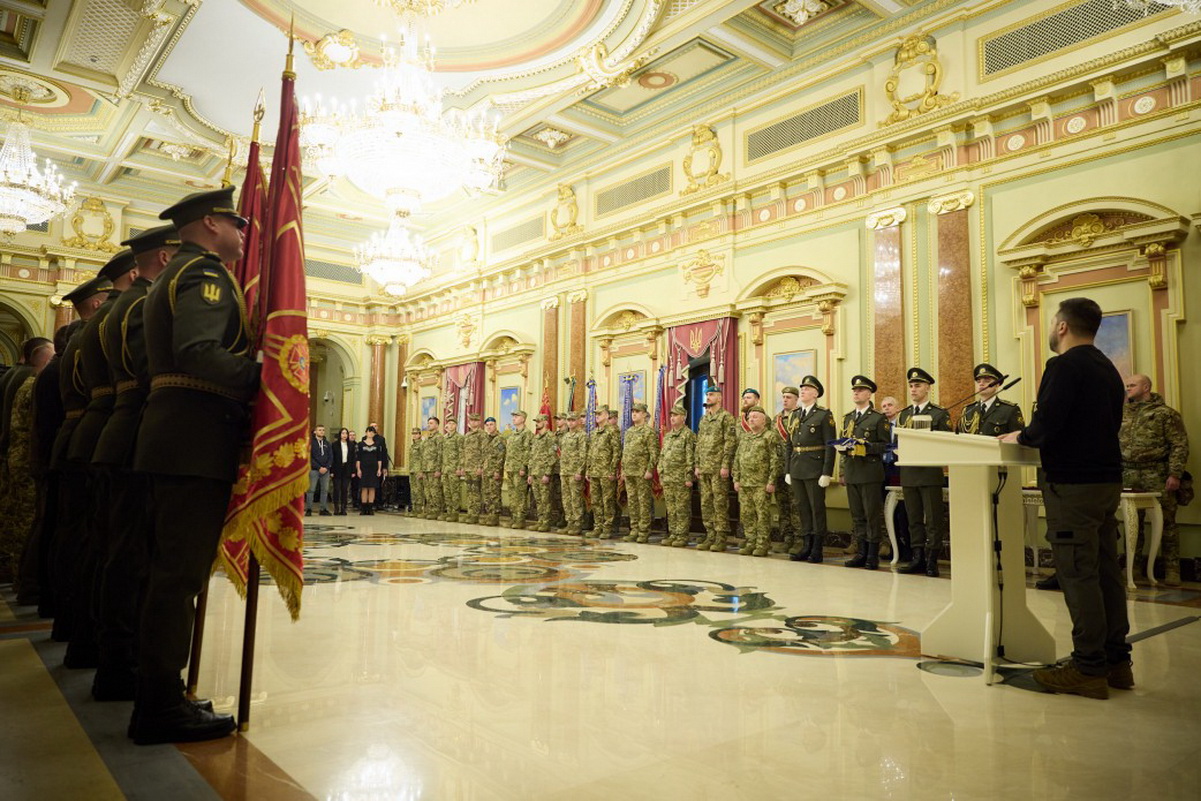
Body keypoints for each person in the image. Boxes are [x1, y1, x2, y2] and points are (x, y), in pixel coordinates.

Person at [131, 186, 257, 744]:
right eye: (237, 223)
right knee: (177, 577)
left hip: (174, 436)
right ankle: (159, 707)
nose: (243, 233)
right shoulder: (203, 275)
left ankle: (159, 692)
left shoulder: (171, 274)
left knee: (167, 574)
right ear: (211, 224)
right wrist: (267, 379)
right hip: (194, 441)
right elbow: (199, 353)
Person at [1000, 297, 1129, 700]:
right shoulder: (1107, 367)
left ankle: (1088, 667)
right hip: (1105, 481)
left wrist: (1021, 436)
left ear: (1061, 327)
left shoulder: (1064, 366)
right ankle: (1116, 660)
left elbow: (1048, 423)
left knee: (1077, 573)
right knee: (1105, 571)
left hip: (1073, 484)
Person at [89, 226, 177, 701]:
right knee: (131, 557)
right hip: (135, 434)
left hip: (117, 432)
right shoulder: (141, 303)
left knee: (119, 551)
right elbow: (151, 372)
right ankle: (120, 665)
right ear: (163, 257)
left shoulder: (116, 308)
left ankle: (111, 658)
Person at [1120, 374, 1188, 586]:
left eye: (1133, 385)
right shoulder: (1123, 413)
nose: (1128, 388)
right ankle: (1133, 568)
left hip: (1157, 473)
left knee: (1167, 522)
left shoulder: (1165, 414)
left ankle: (1172, 570)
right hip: (1128, 473)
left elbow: (1179, 444)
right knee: (1132, 523)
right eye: (1127, 385)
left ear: (1146, 387)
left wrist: (1175, 474)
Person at [896, 367, 951, 577]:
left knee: (934, 520)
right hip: (909, 473)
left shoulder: (939, 414)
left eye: (917, 385)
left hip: (929, 473)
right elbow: (897, 442)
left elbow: (946, 442)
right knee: (914, 519)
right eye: (911, 385)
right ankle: (917, 557)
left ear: (927, 388)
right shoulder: (904, 415)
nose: (913, 389)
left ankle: (932, 559)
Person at [838, 375, 892, 570]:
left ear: (869, 394)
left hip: (869, 472)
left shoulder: (878, 418)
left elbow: (885, 445)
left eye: (860, 390)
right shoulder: (848, 418)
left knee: (871, 516)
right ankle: (861, 553)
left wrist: (866, 447)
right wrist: (843, 450)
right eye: (854, 390)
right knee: (857, 516)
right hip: (852, 471)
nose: (856, 393)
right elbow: (842, 442)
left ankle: (872, 555)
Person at [787, 375, 836, 563]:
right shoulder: (795, 415)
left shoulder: (824, 415)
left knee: (816, 508)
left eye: (807, 388)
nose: (803, 391)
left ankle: (817, 548)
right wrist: (788, 470)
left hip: (815, 468)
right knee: (802, 508)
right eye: (802, 388)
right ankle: (806, 545)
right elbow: (789, 445)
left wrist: (826, 472)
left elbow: (830, 445)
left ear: (815, 394)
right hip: (797, 467)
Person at [733, 406, 781, 557]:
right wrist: (736, 479)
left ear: (764, 420)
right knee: (747, 514)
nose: (751, 419)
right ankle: (751, 542)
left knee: (762, 515)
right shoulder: (745, 437)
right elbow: (737, 459)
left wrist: (771, 481)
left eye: (755, 417)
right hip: (745, 483)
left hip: (761, 483)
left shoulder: (769, 436)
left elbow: (775, 460)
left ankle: (762, 544)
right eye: (749, 417)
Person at [695, 385, 737, 551]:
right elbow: (699, 443)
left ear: (719, 398)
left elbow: (730, 443)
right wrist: (697, 464)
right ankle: (710, 534)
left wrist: (726, 465)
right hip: (704, 467)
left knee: (719, 503)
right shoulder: (704, 419)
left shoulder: (726, 418)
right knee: (706, 503)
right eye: (707, 394)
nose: (708, 397)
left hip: (718, 468)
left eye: (711, 394)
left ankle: (720, 537)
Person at [621, 402, 659, 544]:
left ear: (644, 414)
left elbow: (654, 453)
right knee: (632, 502)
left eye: (637, 412)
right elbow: (625, 452)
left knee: (643, 502)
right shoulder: (629, 431)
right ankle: (634, 529)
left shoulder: (649, 432)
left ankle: (644, 531)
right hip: (629, 472)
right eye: (633, 412)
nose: (634, 414)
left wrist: (649, 470)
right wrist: (623, 469)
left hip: (642, 473)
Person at [658, 404, 695, 547]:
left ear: (683, 417)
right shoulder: (668, 436)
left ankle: (682, 535)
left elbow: (690, 457)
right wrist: (661, 473)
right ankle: (673, 533)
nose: (672, 418)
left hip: (681, 479)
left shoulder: (688, 435)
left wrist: (688, 476)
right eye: (671, 416)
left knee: (682, 508)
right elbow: (662, 456)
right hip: (668, 478)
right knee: (671, 508)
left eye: (676, 415)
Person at [878, 394, 910, 562]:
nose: (886, 408)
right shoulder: (880, 427)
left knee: (902, 513)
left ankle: (907, 549)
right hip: (884, 470)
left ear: (898, 408)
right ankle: (893, 547)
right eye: (883, 406)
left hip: (900, 470)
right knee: (887, 511)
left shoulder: (905, 424)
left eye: (890, 405)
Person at [957, 363, 1024, 436]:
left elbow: (1018, 438)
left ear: (997, 385)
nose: (981, 384)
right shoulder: (967, 410)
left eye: (986, 381)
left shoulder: (1010, 410)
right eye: (978, 381)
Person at [773, 387, 801, 553]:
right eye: (783, 397)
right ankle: (787, 538)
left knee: (796, 505)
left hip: (795, 468)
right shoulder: (776, 419)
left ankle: (799, 539)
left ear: (796, 399)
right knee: (782, 505)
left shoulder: (800, 417)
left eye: (789, 397)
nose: (785, 400)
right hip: (779, 469)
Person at [586, 406, 620, 538]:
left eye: (600, 414)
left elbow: (616, 452)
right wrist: (588, 469)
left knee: (608, 501)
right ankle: (598, 526)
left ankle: (607, 527)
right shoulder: (594, 432)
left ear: (606, 415)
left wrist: (612, 470)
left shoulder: (612, 431)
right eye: (596, 414)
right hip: (595, 471)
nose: (597, 416)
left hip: (606, 472)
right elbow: (590, 452)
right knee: (595, 501)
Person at [559, 411, 589, 535]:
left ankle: (577, 524)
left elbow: (583, 455)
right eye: (568, 420)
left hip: (574, 472)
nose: (570, 423)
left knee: (576, 499)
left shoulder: (582, 435)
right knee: (566, 499)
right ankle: (570, 522)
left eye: (573, 420)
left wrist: (579, 471)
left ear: (578, 421)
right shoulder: (565, 436)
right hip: (565, 471)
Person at [528, 413, 558, 532]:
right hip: (535, 472)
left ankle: (546, 522)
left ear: (545, 422)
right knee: (538, 500)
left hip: (544, 474)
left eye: (539, 421)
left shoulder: (551, 437)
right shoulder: (535, 438)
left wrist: (547, 474)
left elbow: (553, 457)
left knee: (546, 500)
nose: (536, 424)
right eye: (536, 421)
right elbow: (532, 456)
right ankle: (540, 521)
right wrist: (530, 473)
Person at [504, 410, 532, 529]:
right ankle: (514, 517)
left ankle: (520, 519)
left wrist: (523, 467)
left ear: (523, 419)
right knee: (512, 495)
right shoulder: (512, 434)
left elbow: (527, 452)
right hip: (511, 468)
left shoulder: (527, 433)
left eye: (516, 416)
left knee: (520, 495)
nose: (514, 418)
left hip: (520, 469)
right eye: (513, 416)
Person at [461, 413, 486, 524]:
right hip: (467, 468)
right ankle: (470, 513)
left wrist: (480, 467)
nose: (473, 422)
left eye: (476, 420)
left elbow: (484, 452)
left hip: (476, 468)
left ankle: (475, 515)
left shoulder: (482, 435)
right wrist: (462, 466)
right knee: (469, 492)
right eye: (471, 420)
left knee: (476, 492)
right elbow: (464, 452)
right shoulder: (467, 435)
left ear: (479, 422)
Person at [481, 417, 506, 526]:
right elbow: (483, 455)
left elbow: (501, 456)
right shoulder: (485, 439)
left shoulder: (500, 439)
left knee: (494, 494)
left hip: (495, 471)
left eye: (491, 424)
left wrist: (498, 470)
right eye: (487, 425)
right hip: (486, 471)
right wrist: (482, 468)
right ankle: (489, 514)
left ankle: (495, 516)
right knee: (487, 493)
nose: (489, 427)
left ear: (495, 425)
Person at [356, 426, 385, 514]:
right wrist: (358, 469)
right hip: (364, 468)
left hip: (373, 469)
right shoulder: (360, 444)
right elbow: (358, 458)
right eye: (369, 431)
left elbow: (379, 458)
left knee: (372, 487)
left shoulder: (377, 445)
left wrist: (379, 469)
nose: (371, 433)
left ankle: (370, 507)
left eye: (372, 432)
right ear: (366, 433)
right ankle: (364, 508)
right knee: (364, 487)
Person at [440, 417, 463, 522]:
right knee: (447, 492)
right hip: (445, 469)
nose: (451, 425)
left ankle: (455, 513)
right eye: (449, 423)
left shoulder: (459, 437)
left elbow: (461, 453)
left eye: (453, 423)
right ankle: (449, 511)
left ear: (456, 425)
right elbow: (442, 454)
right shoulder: (444, 438)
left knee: (455, 492)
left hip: (454, 469)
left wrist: (459, 468)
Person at [306, 425, 333, 516]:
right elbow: (310, 457)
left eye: (323, 430)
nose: (322, 432)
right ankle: (309, 509)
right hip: (314, 470)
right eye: (320, 430)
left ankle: (323, 509)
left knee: (325, 490)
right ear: (315, 432)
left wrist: (326, 467)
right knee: (311, 489)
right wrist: (318, 467)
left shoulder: (327, 443)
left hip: (325, 470)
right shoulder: (311, 443)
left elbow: (330, 457)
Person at [421, 417, 443, 520]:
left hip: (434, 468)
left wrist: (438, 469)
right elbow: (424, 455)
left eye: (431, 423)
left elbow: (440, 453)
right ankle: (430, 510)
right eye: (428, 423)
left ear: (437, 425)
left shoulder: (439, 437)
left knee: (435, 491)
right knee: (427, 491)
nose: (429, 425)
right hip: (426, 468)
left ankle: (437, 511)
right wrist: (422, 469)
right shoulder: (427, 438)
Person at [331, 427, 356, 515]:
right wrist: (332, 471)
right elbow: (332, 459)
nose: (344, 435)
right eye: (343, 433)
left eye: (346, 433)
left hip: (347, 468)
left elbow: (353, 459)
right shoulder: (334, 445)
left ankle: (343, 508)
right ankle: (336, 507)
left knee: (345, 489)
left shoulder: (351, 445)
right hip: (337, 468)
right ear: (340, 434)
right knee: (337, 489)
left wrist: (353, 471)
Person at [405, 427, 423, 517]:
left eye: (416, 433)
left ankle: (419, 509)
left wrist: (421, 471)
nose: (414, 435)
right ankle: (414, 509)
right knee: (413, 490)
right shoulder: (412, 446)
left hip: (418, 470)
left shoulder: (422, 445)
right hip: (412, 470)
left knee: (419, 490)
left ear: (420, 435)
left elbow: (423, 458)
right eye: (413, 434)